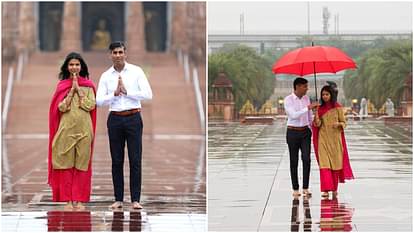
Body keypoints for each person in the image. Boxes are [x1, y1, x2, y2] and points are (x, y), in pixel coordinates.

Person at [96, 41, 153, 209]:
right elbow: (98, 101)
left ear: (125, 54)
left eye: (121, 52)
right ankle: (118, 199)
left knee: (135, 159)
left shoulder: (136, 71)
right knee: (116, 160)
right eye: (115, 52)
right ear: (110, 55)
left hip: (133, 117)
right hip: (115, 119)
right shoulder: (106, 75)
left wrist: (128, 92)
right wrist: (113, 95)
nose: (118, 55)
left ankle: (136, 199)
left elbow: (148, 94)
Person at [48, 52, 97, 210]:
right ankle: (68, 200)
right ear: (67, 67)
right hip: (66, 128)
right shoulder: (62, 85)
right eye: (71, 64)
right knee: (66, 164)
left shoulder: (88, 85)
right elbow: (61, 107)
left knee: (82, 164)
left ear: (81, 66)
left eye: (77, 64)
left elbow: (91, 106)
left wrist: (79, 90)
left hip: (84, 129)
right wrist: (71, 91)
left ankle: (80, 200)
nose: (74, 67)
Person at [312, 85, 354, 198]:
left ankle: (334, 189)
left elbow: (344, 123)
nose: (325, 96)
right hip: (323, 140)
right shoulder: (319, 108)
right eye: (323, 95)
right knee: (324, 165)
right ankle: (326, 190)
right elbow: (317, 125)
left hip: (336, 140)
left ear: (331, 95)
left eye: (327, 94)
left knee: (335, 165)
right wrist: (316, 117)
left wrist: (339, 124)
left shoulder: (337, 107)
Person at [284, 77, 318, 197]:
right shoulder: (288, 100)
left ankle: (305, 187)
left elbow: (308, 116)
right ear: (297, 87)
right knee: (294, 160)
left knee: (306, 159)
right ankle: (295, 188)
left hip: (305, 132)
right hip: (292, 132)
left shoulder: (306, 98)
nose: (307, 89)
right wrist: (307, 108)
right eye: (305, 86)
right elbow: (293, 115)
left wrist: (313, 122)